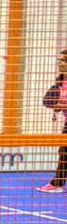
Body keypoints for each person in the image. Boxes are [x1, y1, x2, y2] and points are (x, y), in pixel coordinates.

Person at [40, 49, 67, 191]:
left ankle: (57, 183)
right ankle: (57, 184)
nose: (60, 63)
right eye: (59, 60)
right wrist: (57, 106)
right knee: (64, 151)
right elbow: (49, 101)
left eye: (63, 60)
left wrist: (61, 105)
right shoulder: (60, 82)